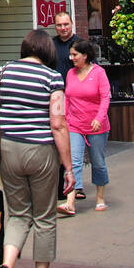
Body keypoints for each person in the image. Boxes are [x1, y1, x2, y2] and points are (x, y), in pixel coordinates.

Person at [0, 28, 75, 268]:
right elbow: (58, 122)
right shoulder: (52, 77)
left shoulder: (5, 71)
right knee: (44, 216)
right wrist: (69, 166)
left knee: (17, 214)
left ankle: (7, 267)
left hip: (8, 149)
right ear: (47, 51)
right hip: (40, 152)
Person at [62, 38, 111, 214]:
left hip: (97, 126)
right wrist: (65, 118)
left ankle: (100, 197)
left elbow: (105, 97)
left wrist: (99, 117)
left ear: (85, 55)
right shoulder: (70, 74)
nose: (71, 58)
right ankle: (70, 202)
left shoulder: (99, 73)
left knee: (97, 162)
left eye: (75, 55)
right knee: (74, 161)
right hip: (75, 124)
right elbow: (67, 98)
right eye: (70, 54)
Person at [51, 12, 79, 200]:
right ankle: (60, 187)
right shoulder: (51, 45)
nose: (63, 28)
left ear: (72, 24)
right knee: (59, 140)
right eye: (59, 25)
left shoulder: (79, 44)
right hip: (56, 98)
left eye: (66, 24)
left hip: (75, 98)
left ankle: (76, 185)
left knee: (73, 142)